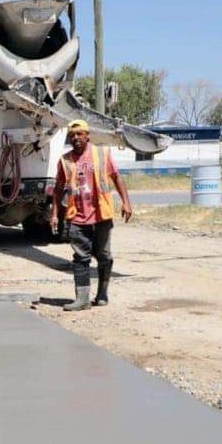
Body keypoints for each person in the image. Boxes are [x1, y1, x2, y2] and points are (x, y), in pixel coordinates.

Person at [50, 119, 133, 311]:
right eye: (72, 135)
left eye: (79, 134)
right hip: (77, 217)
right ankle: (82, 299)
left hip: (102, 215)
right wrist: (55, 214)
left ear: (87, 135)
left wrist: (126, 202)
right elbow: (57, 189)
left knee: (103, 255)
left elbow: (116, 177)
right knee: (81, 258)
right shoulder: (65, 160)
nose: (76, 138)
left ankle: (102, 292)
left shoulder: (102, 154)